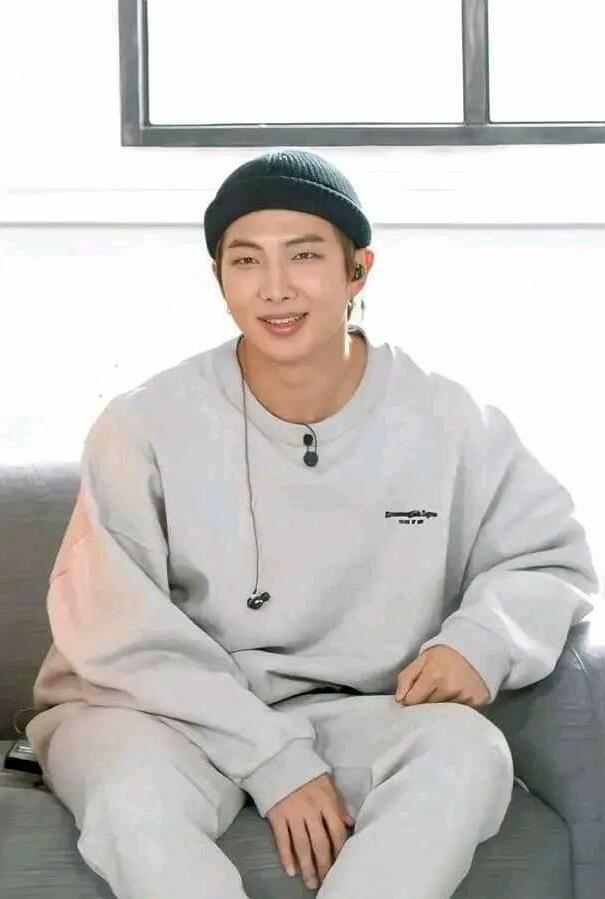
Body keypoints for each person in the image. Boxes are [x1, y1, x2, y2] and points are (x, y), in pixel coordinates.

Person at [25, 149, 600, 899]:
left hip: (355, 712)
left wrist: (482, 640)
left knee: (469, 752)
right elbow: (116, 629)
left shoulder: (446, 418)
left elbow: (548, 556)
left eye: (303, 256)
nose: (275, 288)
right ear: (219, 278)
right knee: (133, 805)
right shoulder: (142, 424)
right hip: (153, 713)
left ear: (358, 270)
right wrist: (275, 761)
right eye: (245, 261)